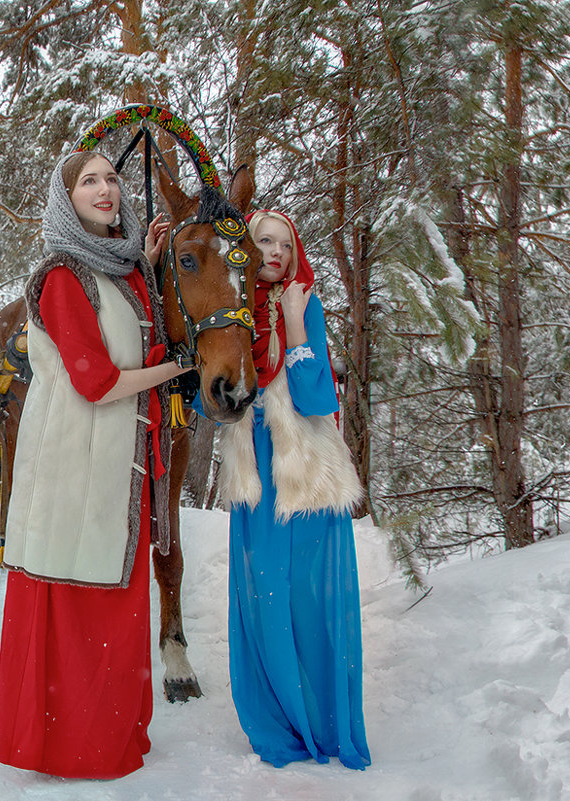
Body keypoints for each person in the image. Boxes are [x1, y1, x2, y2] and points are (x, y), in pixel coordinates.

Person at [0, 151, 186, 779]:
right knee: (77, 596)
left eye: (112, 178)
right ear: (65, 198)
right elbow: (97, 380)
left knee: (114, 597)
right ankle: (70, 745)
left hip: (116, 462)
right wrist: (178, 368)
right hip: (74, 461)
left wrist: (149, 266)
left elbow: (131, 334)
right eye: (89, 181)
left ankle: (108, 735)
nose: (106, 189)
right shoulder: (61, 276)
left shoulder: (121, 270)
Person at [217, 209, 371, 769]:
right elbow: (219, 398)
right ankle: (278, 720)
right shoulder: (231, 311)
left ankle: (325, 724)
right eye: (264, 241)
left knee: (308, 602)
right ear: (246, 248)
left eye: (285, 242)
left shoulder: (304, 302)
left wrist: (296, 323)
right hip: (256, 479)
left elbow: (315, 399)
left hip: (305, 476)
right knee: (263, 600)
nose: (277, 252)